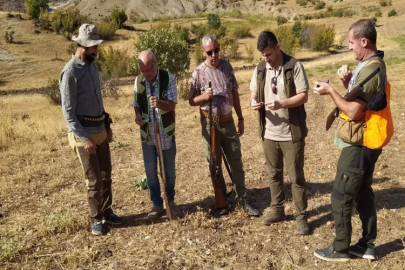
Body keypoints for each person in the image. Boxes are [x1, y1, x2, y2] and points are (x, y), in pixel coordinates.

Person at [313, 19, 389, 262]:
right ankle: (366, 245)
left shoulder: (372, 68)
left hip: (361, 142)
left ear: (364, 41)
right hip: (366, 140)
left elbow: (355, 112)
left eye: (351, 42)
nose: (349, 47)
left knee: (341, 194)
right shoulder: (370, 65)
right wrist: (346, 84)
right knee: (362, 192)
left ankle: (340, 248)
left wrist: (330, 91)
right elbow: (362, 101)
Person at [60, 23, 123, 236]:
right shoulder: (69, 73)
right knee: (94, 179)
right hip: (83, 135)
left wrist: (107, 125)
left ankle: (107, 212)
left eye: (97, 45)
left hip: (100, 130)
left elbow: (99, 101)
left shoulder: (92, 66)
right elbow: (68, 113)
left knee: (106, 176)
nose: (97, 50)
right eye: (93, 46)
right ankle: (96, 219)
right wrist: (83, 138)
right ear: (82, 45)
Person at [189, 34, 259, 217]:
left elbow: (234, 92)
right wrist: (204, 97)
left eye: (216, 50)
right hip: (209, 123)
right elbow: (191, 100)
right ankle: (222, 203)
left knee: (236, 162)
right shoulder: (197, 73)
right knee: (215, 165)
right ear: (203, 52)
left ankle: (242, 199)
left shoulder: (227, 67)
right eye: (209, 52)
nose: (214, 55)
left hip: (228, 122)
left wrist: (241, 118)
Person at [250, 31, 310, 235]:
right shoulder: (260, 69)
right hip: (269, 132)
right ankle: (278, 209)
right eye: (263, 55)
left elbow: (303, 96)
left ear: (277, 47)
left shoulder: (294, 66)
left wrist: (282, 103)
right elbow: (253, 92)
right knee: (273, 175)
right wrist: (253, 102)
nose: (266, 58)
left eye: (268, 53)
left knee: (296, 178)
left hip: (291, 133)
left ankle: (301, 217)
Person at [133, 50, 180, 219]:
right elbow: (136, 103)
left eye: (149, 70)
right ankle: (157, 204)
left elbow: (173, 105)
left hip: (165, 132)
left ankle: (171, 201)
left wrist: (159, 103)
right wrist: (138, 115)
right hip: (148, 134)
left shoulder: (168, 77)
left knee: (168, 170)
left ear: (155, 64)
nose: (146, 74)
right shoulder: (138, 81)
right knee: (151, 171)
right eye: (143, 71)